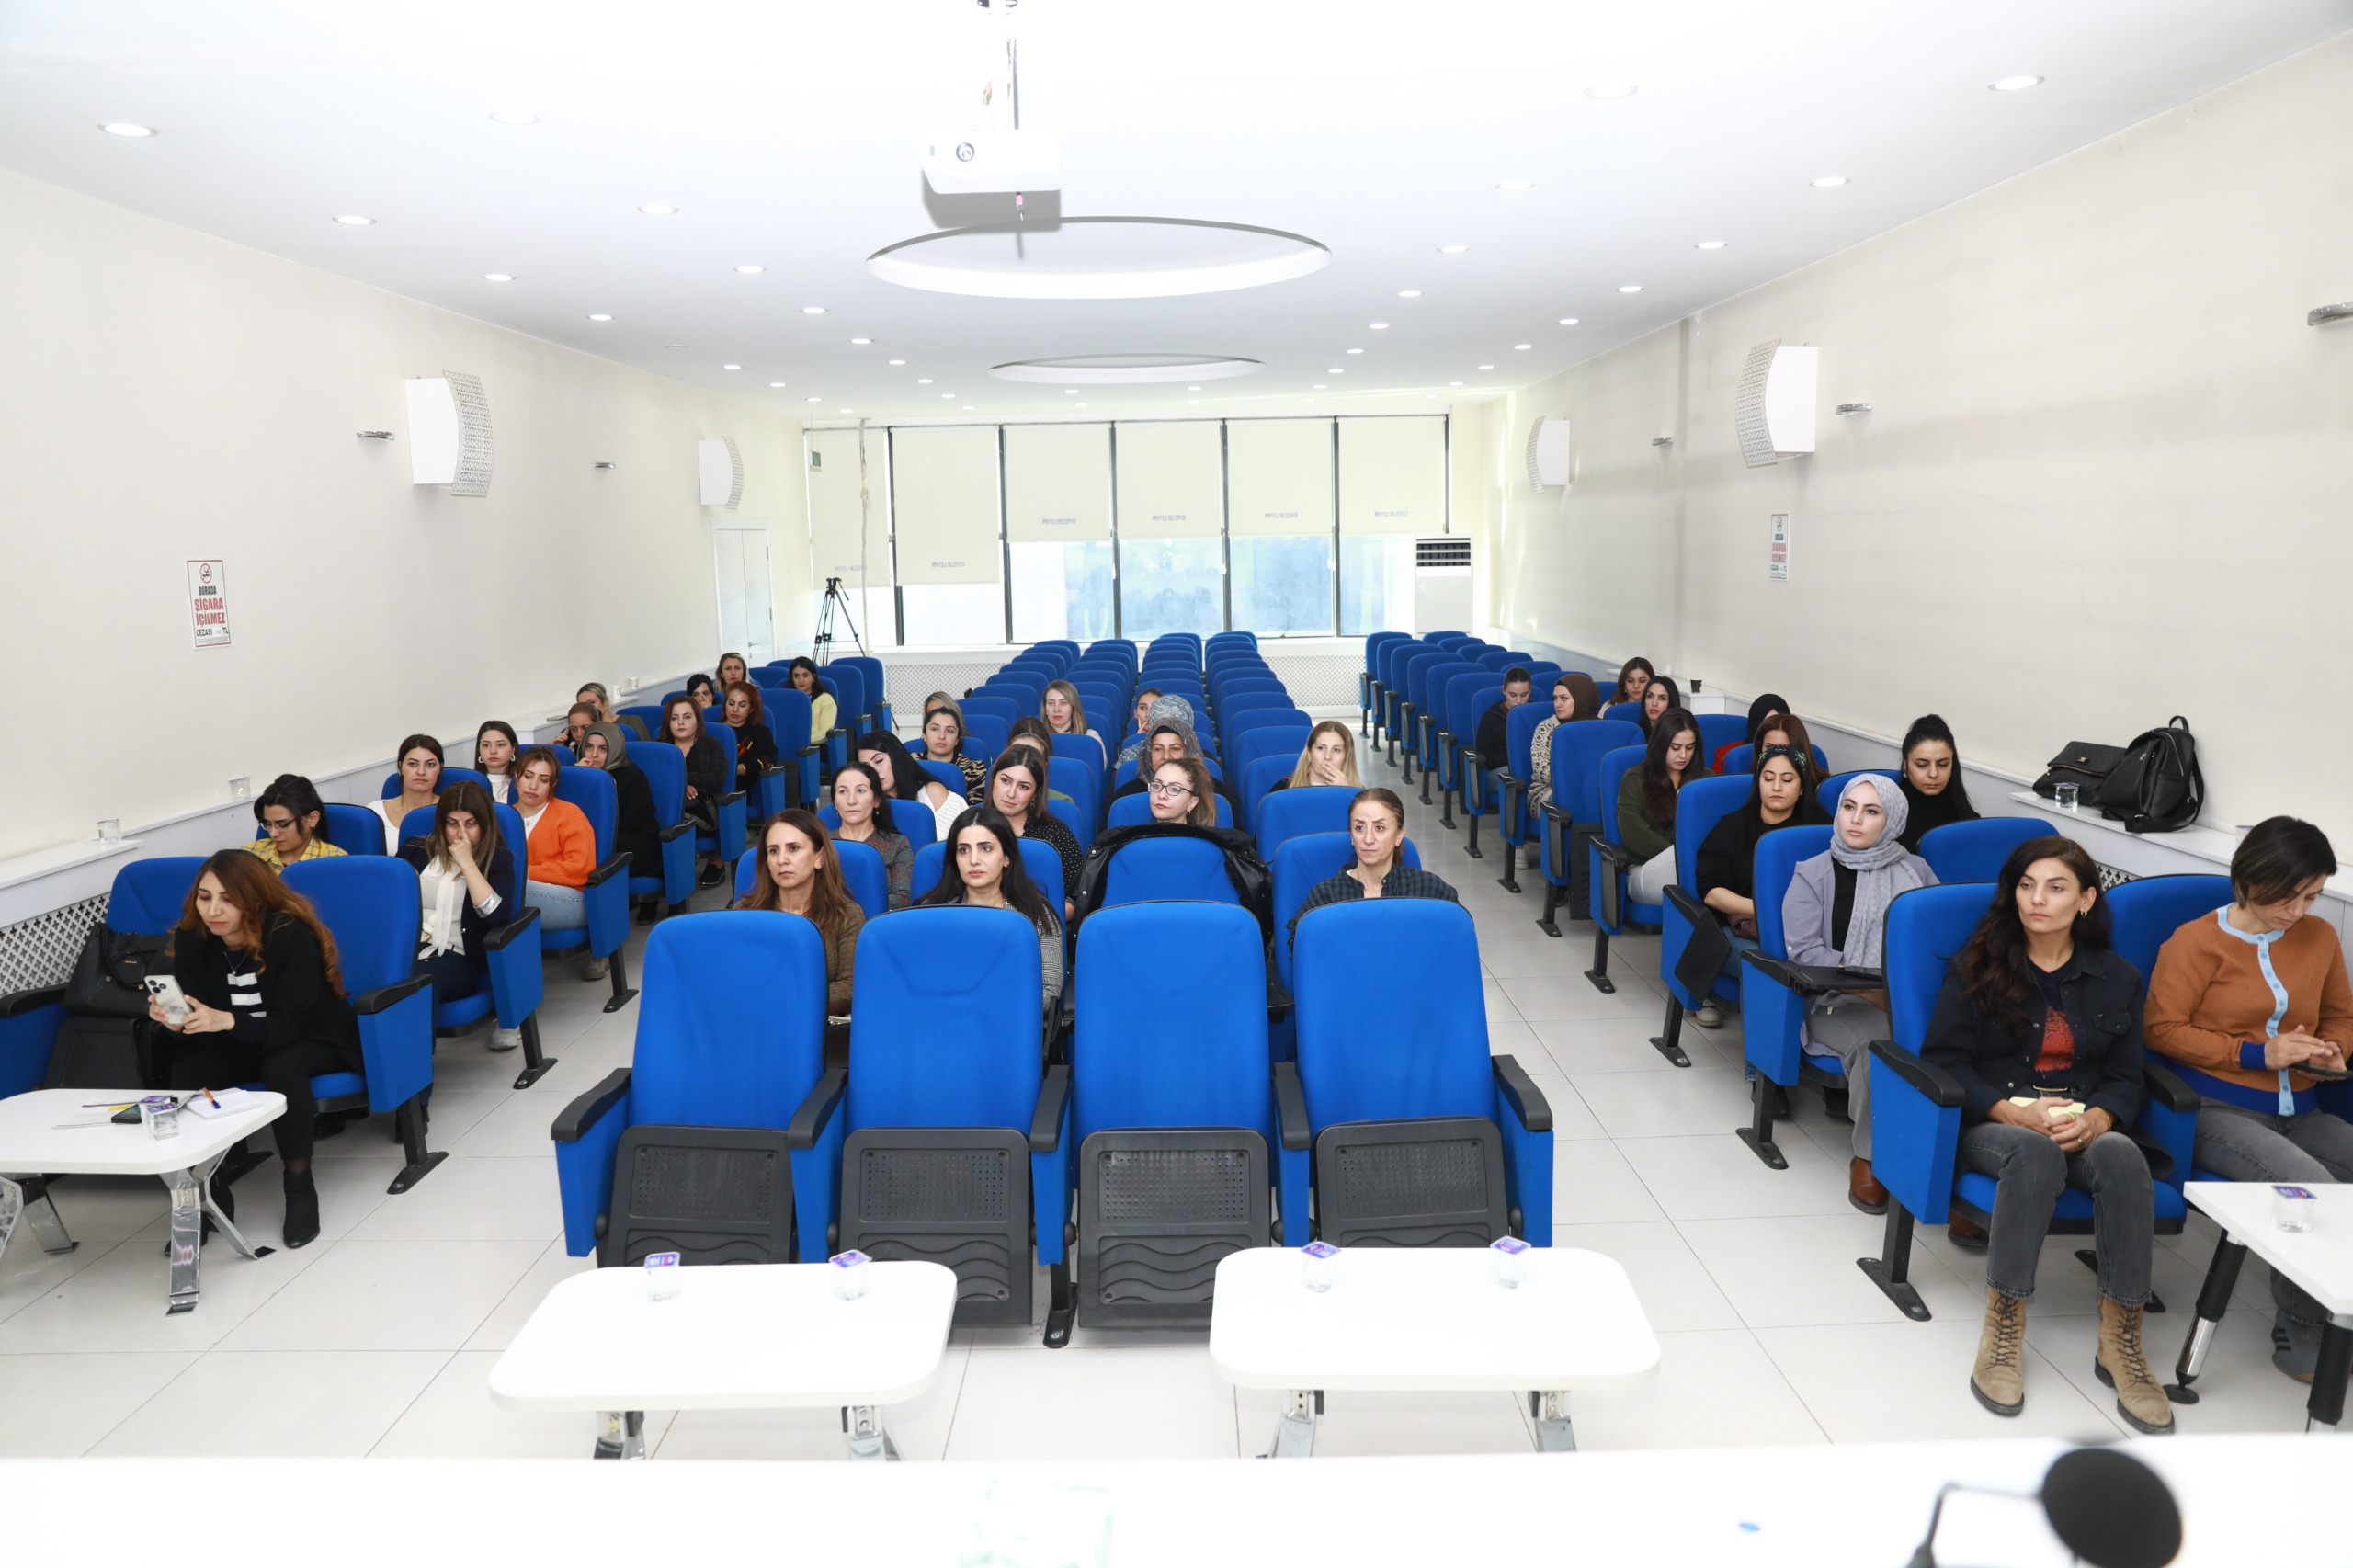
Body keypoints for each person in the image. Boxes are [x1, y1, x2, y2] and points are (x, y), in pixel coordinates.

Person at [1922, 836, 2170, 1434]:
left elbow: (2126, 1079)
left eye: (2056, 888)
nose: (2038, 899)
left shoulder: (2117, 977)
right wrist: (2013, 1114)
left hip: (2080, 1120)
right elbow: (1944, 1062)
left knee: (2123, 1155)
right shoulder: (1977, 965)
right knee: (2034, 1153)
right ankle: (2004, 1327)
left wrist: (2098, 1120)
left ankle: (2121, 1338)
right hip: (1998, 1123)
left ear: (2086, 899)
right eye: (2027, 885)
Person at [2145, 815, 2353, 1383]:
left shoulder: (2321, 937)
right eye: (2288, 896)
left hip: (2303, 1108)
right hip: (2216, 1110)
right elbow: (2161, 1030)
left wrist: (2332, 1049)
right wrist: (2258, 1054)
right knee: (2311, 1191)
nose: (2299, 911)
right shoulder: (2194, 943)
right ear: (2250, 880)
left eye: (2311, 896)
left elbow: (2340, 1016)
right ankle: (2301, 1323)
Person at [153, 850, 361, 1249]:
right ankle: (209, 1192)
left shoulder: (288, 934)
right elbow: (198, 1025)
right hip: (240, 1038)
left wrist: (225, 1021)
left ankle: (299, 1185)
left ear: (255, 899)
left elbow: (291, 1024)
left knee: (281, 1066)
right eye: (204, 897)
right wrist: (178, 1023)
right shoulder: (193, 938)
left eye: (228, 899)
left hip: (312, 1036)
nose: (213, 910)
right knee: (189, 1070)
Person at [1781, 775, 1938, 1212]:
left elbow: (1935, 942)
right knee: (1878, 1044)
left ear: (1893, 821)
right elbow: (1807, 955)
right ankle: (1868, 1157)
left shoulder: (1918, 871)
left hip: (1904, 997)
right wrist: (1875, 990)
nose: (1855, 819)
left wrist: (1901, 994)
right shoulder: (1812, 873)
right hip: (1835, 999)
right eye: (1849, 807)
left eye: (1871, 811)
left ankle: (1945, 1162)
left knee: (1955, 1038)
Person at [1694, 744, 1829, 1027]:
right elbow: (1711, 891)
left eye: (1787, 779)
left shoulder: (1820, 830)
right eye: (1768, 778)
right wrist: (1769, 912)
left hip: (1808, 929)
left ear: (1801, 788)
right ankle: (1763, 1052)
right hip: (1739, 930)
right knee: (1767, 966)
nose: (1776, 787)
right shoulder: (1733, 826)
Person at [916, 807, 1066, 1015]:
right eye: (964, 850)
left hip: (1011, 1022)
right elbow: (921, 984)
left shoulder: (1036, 913)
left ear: (1006, 857)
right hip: (946, 1020)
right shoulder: (930, 914)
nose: (974, 860)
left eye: (985, 848)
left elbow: (1049, 992)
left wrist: (985, 1005)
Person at [396, 782, 515, 1032]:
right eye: (452, 824)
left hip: (457, 959)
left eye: (470, 824)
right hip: (409, 950)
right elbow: (389, 902)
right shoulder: (415, 850)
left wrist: (467, 863)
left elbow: (495, 915)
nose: (461, 834)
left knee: (419, 984)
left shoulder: (498, 860)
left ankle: (411, 1057)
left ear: (484, 824)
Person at [1289, 788, 1460, 946]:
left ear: (1399, 836)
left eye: (1379, 828)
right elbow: (1301, 948)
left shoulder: (1427, 889)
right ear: (1351, 836)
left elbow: (1458, 935)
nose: (1368, 839)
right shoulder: (1326, 896)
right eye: (1359, 828)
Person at [736, 811, 864, 1017]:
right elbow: (734, 978)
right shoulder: (744, 913)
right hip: (755, 1022)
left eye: (793, 848)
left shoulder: (847, 915)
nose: (782, 860)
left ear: (819, 858)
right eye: (773, 851)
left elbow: (851, 986)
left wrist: (785, 1000)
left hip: (817, 1027)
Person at [577, 721, 661, 943]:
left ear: (614, 748)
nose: (594, 754)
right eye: (589, 747)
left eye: (603, 748)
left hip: (636, 842)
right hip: (597, 839)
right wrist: (582, 780)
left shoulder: (633, 777)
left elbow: (628, 822)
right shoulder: (579, 776)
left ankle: (606, 927)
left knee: (595, 852)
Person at [985, 749, 1082, 916]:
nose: (1011, 793)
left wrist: (1037, 918)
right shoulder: (969, 827)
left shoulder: (1056, 834)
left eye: (1023, 787)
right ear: (993, 780)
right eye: (1005, 781)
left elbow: (1078, 897)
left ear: (1036, 793)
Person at [1620, 709, 1701, 904]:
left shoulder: (1705, 780)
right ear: (1660, 745)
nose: (1683, 755)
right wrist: (1683, 856)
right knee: (1683, 858)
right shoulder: (1636, 779)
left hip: (1697, 869)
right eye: (1675, 747)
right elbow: (1634, 836)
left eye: (1690, 748)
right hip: (1644, 869)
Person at [513, 746, 595, 940]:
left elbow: (579, 869)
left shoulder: (569, 814)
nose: (533, 785)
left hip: (570, 899)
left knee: (511, 887)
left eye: (543, 780)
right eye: (528, 776)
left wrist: (525, 874)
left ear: (552, 785)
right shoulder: (504, 817)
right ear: (516, 778)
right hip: (522, 892)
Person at [663, 694, 731, 886]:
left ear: (698, 721)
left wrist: (682, 781)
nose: (680, 723)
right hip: (667, 809)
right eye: (674, 718)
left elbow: (717, 778)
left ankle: (715, 862)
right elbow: (650, 782)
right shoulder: (659, 749)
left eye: (687, 717)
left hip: (702, 810)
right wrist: (679, 787)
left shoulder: (711, 746)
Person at [828, 760, 913, 910]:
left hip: (879, 920)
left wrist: (853, 909)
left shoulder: (897, 844)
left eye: (860, 791)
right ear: (835, 802)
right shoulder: (821, 845)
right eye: (843, 791)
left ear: (877, 800)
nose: (851, 801)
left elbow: (903, 898)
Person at [858, 730, 965, 846]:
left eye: (879, 761)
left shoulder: (933, 793)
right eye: (866, 768)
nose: (874, 771)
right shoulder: (867, 804)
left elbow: (961, 843)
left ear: (897, 756)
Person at [1896, 713, 1982, 853]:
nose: (1933, 774)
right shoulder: (1888, 815)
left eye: (1943, 764)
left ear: (1952, 766)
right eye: (1922, 765)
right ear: (1906, 766)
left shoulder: (1966, 817)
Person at [1528, 673, 1603, 809]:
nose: (1557, 704)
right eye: (1555, 698)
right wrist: (1583, 781)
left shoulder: (1600, 727)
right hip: (1548, 791)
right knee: (1575, 799)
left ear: (1581, 698)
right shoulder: (1547, 727)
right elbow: (1543, 772)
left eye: (1564, 698)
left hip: (1592, 789)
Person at [245, 774, 347, 871]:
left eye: (283, 825)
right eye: (268, 824)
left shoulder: (336, 863)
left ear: (312, 819)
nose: (273, 834)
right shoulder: (250, 854)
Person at [369, 736, 443, 853]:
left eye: (430, 764)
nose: (421, 772)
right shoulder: (375, 813)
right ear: (400, 766)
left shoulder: (454, 812)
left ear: (440, 769)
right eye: (413, 764)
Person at [1268, 721, 1360, 795]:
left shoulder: (1359, 796)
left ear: (1346, 757)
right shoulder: (1281, 791)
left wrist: (1346, 793)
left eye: (1336, 750)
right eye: (1320, 748)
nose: (1327, 757)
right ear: (1309, 753)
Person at [921, 702, 989, 801]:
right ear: (924, 735)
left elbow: (976, 807)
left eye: (950, 731)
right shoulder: (909, 762)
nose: (942, 736)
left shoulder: (974, 769)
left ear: (957, 739)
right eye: (935, 729)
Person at [722, 682, 778, 798]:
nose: (735, 709)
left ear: (751, 709)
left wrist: (742, 768)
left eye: (742, 705)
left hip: (737, 792)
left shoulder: (759, 732)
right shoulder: (712, 728)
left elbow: (769, 758)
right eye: (731, 703)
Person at [1474, 666, 1535, 772]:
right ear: (1503, 690)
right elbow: (1484, 755)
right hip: (1502, 769)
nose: (1519, 701)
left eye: (1524, 695)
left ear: (1530, 692)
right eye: (1513, 695)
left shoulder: (1536, 713)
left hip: (1533, 766)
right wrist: (1516, 758)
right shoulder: (1491, 716)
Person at [1715, 693, 1790, 774]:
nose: (1774, 729)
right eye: (1767, 723)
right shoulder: (1731, 754)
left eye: (1777, 723)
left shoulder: (1794, 754)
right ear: (1756, 723)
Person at [1119, 693, 1193, 767]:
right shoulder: (1129, 759)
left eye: (1175, 749)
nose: (1166, 757)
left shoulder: (1198, 764)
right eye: (1158, 749)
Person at [1146, 756, 1220, 829]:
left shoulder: (1205, 837)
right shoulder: (1139, 834)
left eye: (1174, 789)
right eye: (1156, 786)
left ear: (1192, 803)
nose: (1161, 795)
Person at [1042, 680, 1098, 763]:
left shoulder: (1091, 738)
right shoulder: (1034, 738)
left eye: (1063, 703)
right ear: (1045, 709)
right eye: (1051, 703)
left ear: (1073, 707)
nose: (1056, 709)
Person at [788, 657, 837, 740]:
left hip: (814, 745)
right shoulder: (786, 700)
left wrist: (799, 741)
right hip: (787, 745)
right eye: (796, 676)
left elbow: (824, 734)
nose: (801, 680)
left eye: (805, 675)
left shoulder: (825, 699)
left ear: (813, 677)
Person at [578, 683, 645, 741]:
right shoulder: (584, 730)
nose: (588, 708)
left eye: (592, 702)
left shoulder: (632, 721)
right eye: (583, 705)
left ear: (605, 702)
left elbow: (646, 748)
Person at [474, 720, 520, 803]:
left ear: (513, 748)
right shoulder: (471, 783)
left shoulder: (523, 783)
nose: (493, 751)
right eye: (486, 745)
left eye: (500, 745)